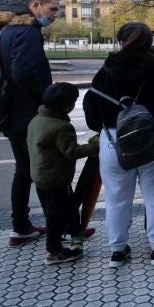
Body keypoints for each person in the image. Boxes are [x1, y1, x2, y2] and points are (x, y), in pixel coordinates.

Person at [83, 22, 154, 267]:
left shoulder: (104, 73)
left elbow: (91, 117)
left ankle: (118, 251)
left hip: (113, 142)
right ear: (150, 42)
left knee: (116, 198)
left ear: (120, 41)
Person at [0, 0, 62, 247]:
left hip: (10, 114)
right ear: (36, 6)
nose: (56, 14)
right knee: (44, 172)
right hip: (28, 116)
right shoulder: (27, 31)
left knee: (24, 171)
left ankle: (20, 228)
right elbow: (24, 72)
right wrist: (47, 99)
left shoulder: (6, 30)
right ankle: (58, 232)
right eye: (53, 8)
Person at [27, 83, 99, 264]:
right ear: (67, 106)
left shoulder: (36, 119)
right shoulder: (61, 127)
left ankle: (75, 232)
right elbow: (72, 151)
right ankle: (54, 251)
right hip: (56, 180)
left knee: (65, 208)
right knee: (56, 217)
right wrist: (95, 147)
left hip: (41, 176)